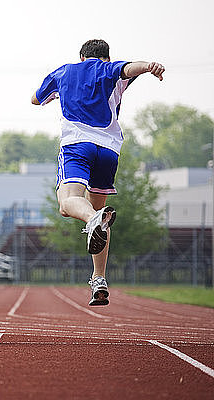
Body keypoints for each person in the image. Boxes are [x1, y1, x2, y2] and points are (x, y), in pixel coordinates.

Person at [31, 39, 165, 306]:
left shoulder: (65, 71)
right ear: (106, 57)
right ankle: (99, 278)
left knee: (67, 203)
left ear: (82, 57)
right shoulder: (109, 69)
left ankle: (92, 220)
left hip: (77, 146)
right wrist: (149, 66)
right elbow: (129, 68)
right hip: (109, 151)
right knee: (101, 214)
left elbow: (35, 99)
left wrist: (60, 92)